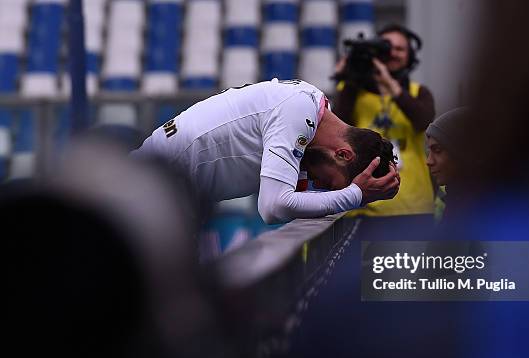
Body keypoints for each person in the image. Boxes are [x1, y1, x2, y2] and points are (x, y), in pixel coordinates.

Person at [132, 78, 399, 224]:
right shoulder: (299, 112)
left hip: (166, 194)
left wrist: (358, 193)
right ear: (342, 154)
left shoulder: (312, 112)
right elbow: (273, 206)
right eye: (330, 183)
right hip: (148, 190)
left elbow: (298, 196)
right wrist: (354, 195)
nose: (319, 186)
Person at [334, 24, 435, 220]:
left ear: (410, 56)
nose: (393, 54)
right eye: (386, 48)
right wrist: (350, 78)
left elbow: (423, 121)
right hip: (364, 206)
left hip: (413, 206)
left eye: (400, 49)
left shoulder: (418, 93)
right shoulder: (354, 93)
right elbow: (339, 129)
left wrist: (390, 85)